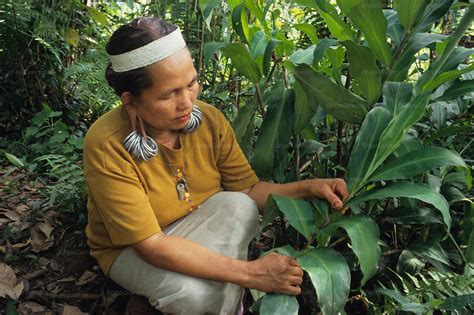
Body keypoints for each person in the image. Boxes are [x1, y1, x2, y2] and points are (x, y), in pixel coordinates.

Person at [83, 16, 349, 315]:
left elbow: (249, 190)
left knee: (241, 206)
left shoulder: (208, 120)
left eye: (192, 83)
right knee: (193, 295)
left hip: (195, 225)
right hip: (133, 248)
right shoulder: (107, 144)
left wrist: (308, 189)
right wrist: (251, 273)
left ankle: (157, 304)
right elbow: (151, 245)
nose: (187, 102)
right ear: (130, 101)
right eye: (170, 94)